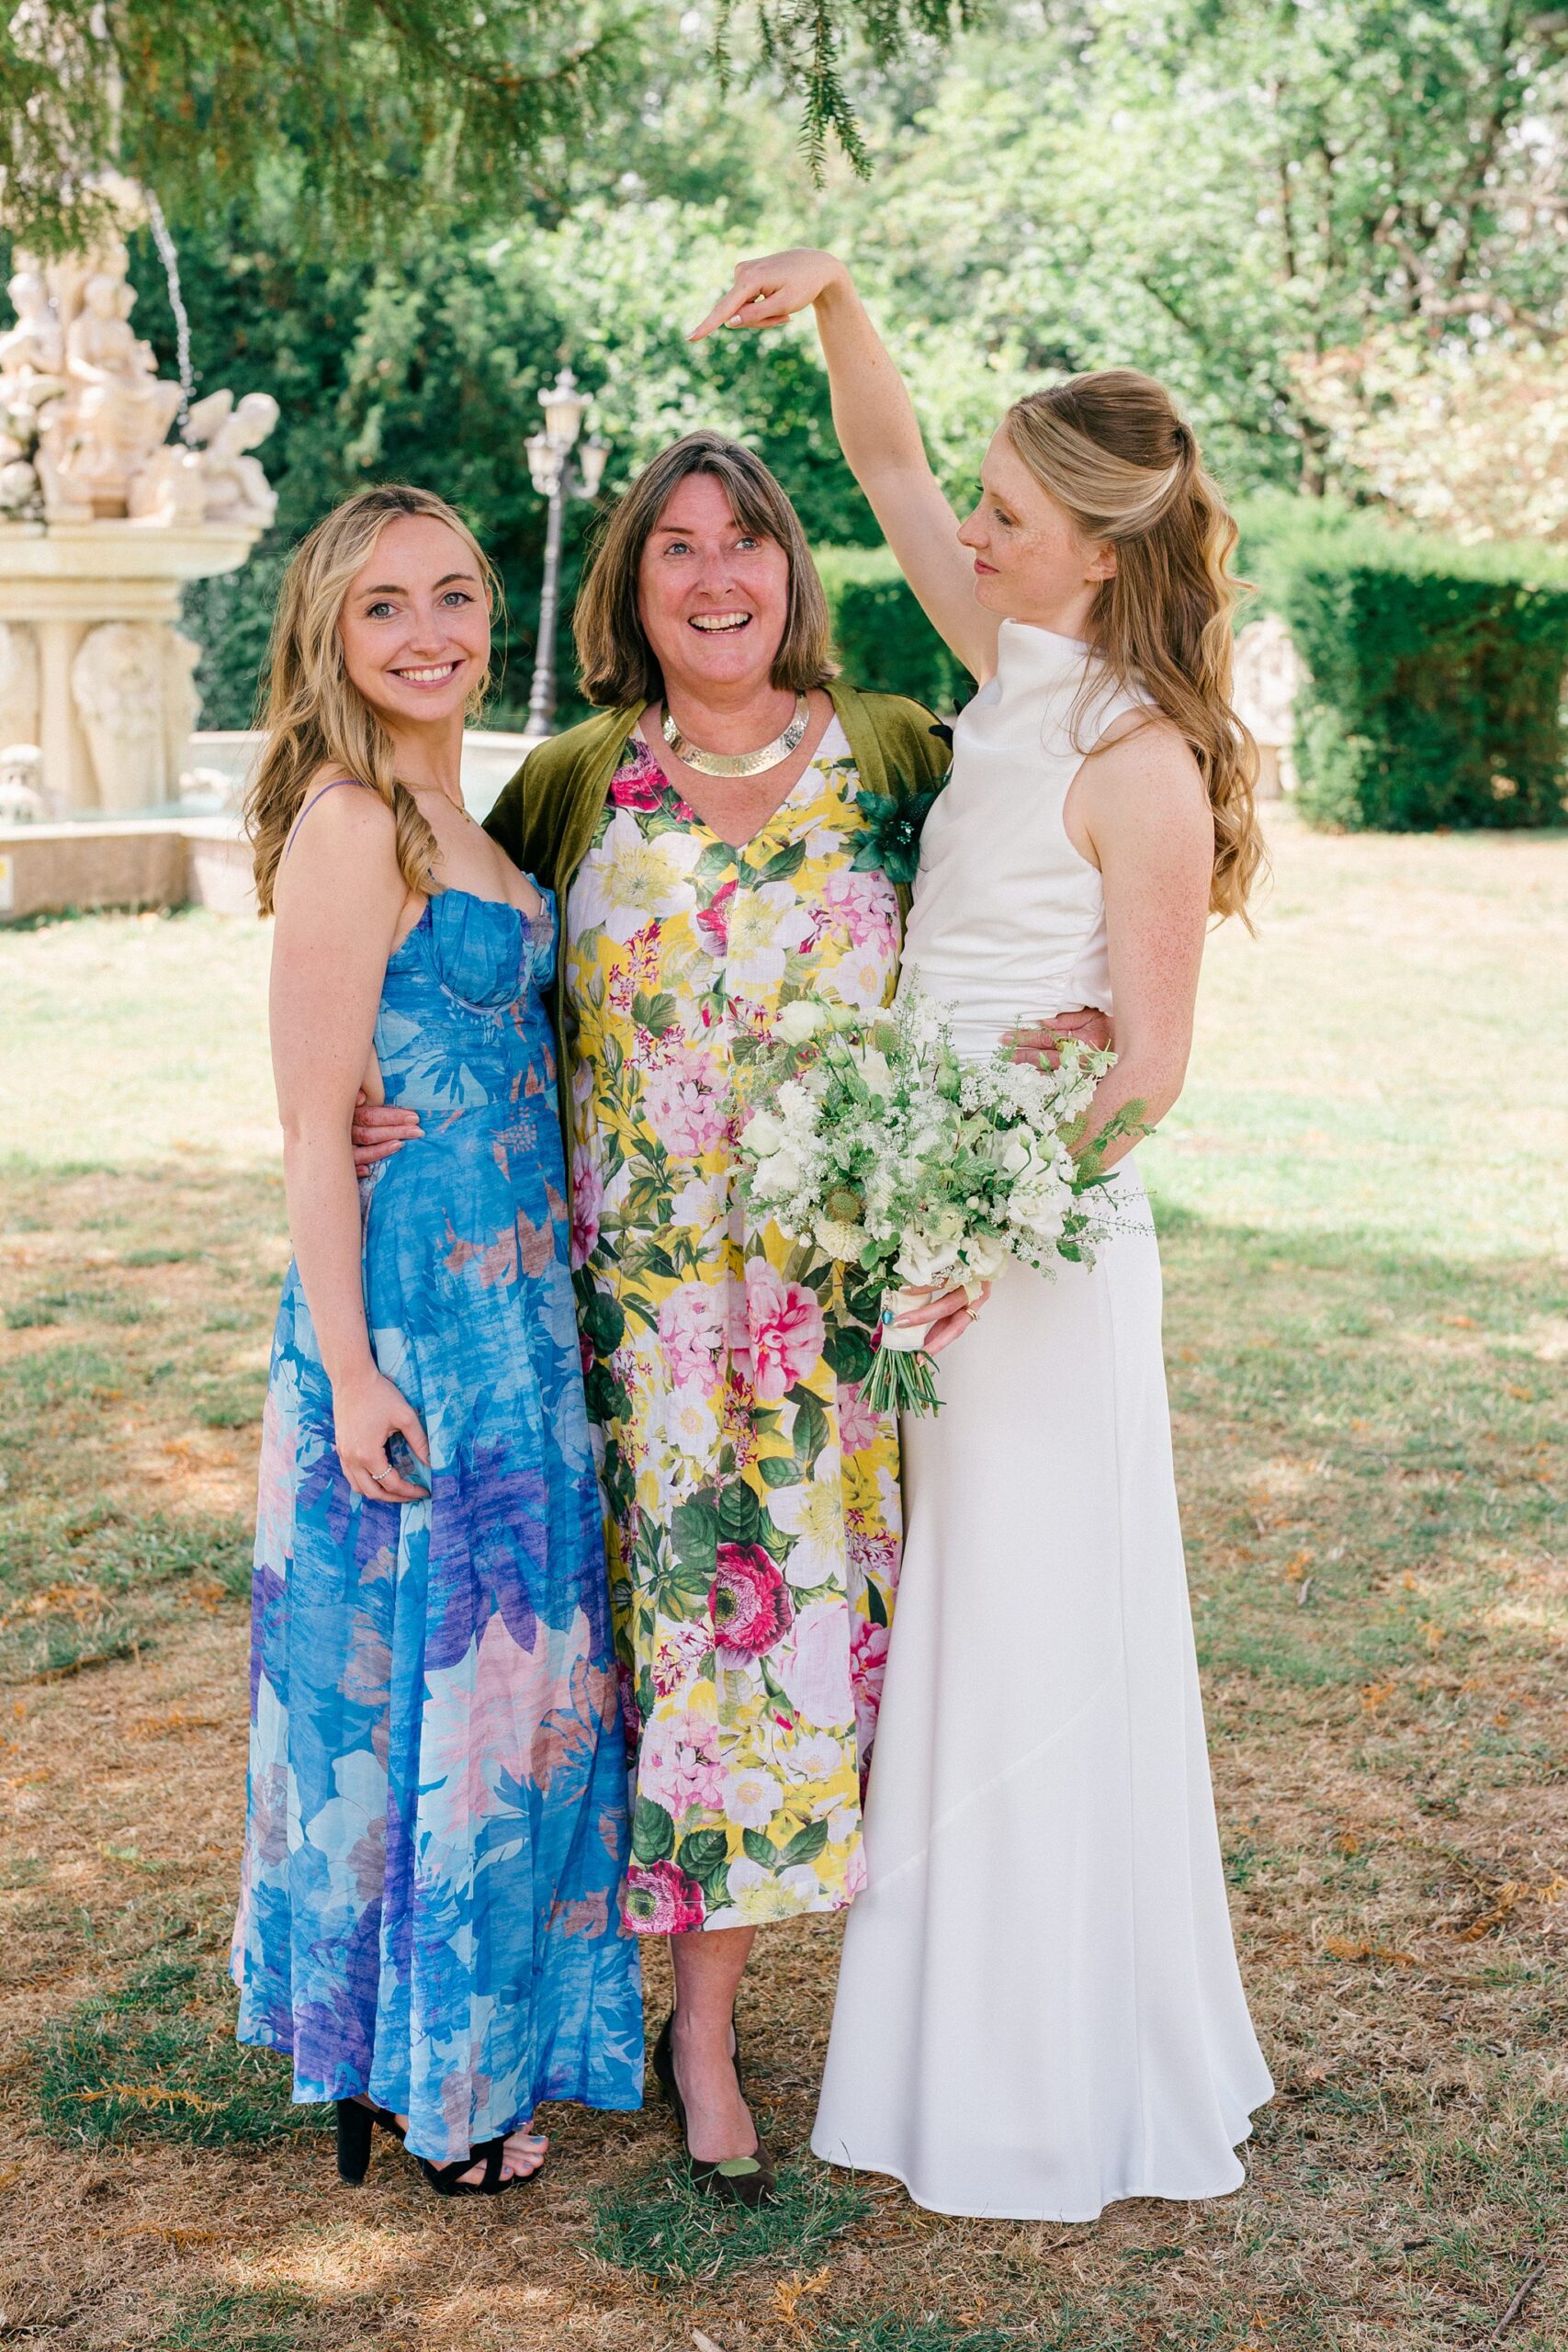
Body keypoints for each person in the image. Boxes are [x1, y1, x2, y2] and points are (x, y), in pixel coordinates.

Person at [690, 254, 1275, 2221]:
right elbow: (879, 454)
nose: (970, 530)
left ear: (1089, 557)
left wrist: (976, 1227)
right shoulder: (1009, 662)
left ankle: (1050, 2073)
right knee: (959, 1625)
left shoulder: (1137, 762)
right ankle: (943, 2032)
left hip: (1027, 1253)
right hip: (928, 1223)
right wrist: (845, 298)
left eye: (1009, 516)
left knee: (1039, 1636)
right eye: (984, 508)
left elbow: (1146, 1073)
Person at [352, 431, 965, 2204]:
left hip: (809, 1340)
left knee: (748, 1677)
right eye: (675, 549)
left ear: (792, 568)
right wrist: (396, 1103)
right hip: (597, 1321)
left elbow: (1022, 914)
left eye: (746, 543)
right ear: (631, 589)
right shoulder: (570, 779)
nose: (715, 578)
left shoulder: (900, 759)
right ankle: (544, 2004)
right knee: (582, 1670)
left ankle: (700, 2031)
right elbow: (451, 950)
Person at [232, 484, 642, 2199]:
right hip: (409, 1325)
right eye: (385, 604)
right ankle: (428, 2082)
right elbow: (312, 1123)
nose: (430, 632)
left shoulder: (468, 819)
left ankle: (471, 2044)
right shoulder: (350, 822)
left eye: (456, 595)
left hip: (521, 1323)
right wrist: (353, 1365)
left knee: (517, 1699)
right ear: (331, 632)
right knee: (427, 1703)